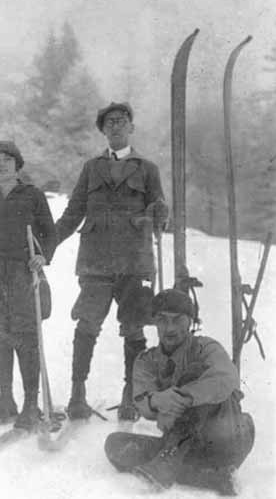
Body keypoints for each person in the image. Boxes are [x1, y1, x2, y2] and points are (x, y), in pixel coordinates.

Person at [55, 102, 167, 421]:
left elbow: (160, 212)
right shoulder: (91, 168)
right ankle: (78, 393)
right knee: (87, 324)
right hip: (96, 261)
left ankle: (131, 395)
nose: (115, 126)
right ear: (103, 130)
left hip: (134, 261)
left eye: (121, 121)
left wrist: (160, 214)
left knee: (133, 328)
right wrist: (46, 244)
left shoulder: (147, 169)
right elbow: (74, 211)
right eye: (109, 122)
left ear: (131, 127)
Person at [104, 291, 255, 496]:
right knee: (115, 444)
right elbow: (142, 401)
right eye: (162, 320)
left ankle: (170, 460)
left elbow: (226, 379)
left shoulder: (206, 348)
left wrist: (181, 398)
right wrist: (158, 401)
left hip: (226, 438)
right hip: (184, 446)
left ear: (190, 321)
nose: (170, 328)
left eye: (178, 320)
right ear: (154, 323)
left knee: (198, 376)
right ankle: (210, 477)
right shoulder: (146, 361)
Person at [0, 141, 57, 430]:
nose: (1, 164)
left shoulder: (33, 196)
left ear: (18, 164)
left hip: (21, 273)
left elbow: (49, 234)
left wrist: (43, 256)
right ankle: (6, 398)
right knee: (0, 335)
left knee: (26, 336)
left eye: (7, 160)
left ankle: (31, 403)